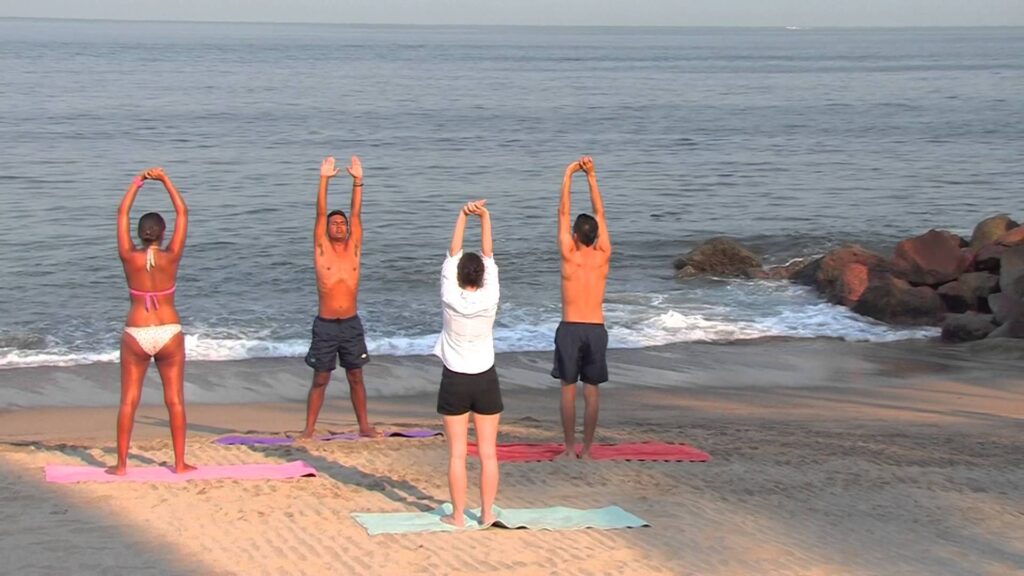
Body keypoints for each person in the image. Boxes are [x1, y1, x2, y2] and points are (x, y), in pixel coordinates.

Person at [114, 167, 195, 475]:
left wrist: (137, 181)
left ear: (139, 233)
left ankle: (121, 465)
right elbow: (183, 211)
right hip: (169, 332)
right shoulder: (172, 255)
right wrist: (165, 181)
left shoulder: (128, 256)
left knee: (128, 401)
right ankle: (179, 464)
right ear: (163, 233)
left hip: (136, 332)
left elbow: (122, 212)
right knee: (174, 400)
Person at [434, 200, 502, 528]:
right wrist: (485, 217)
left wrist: (462, 215)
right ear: (483, 277)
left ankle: (459, 516)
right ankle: (487, 514)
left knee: (457, 453)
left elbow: (452, 252)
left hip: (455, 380)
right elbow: (488, 256)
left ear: (458, 275)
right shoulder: (490, 296)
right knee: (487, 453)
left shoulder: (449, 294)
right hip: (485, 379)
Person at [301, 155, 379, 439]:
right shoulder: (322, 248)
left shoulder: (354, 247)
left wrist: (358, 181)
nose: (338, 226)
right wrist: (324, 180)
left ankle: (364, 426)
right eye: (334, 224)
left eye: (341, 224)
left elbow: (356, 214)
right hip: (325, 325)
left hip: (350, 325)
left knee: (356, 376)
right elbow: (320, 214)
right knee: (320, 378)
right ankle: (309, 429)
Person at [553, 156, 612, 460]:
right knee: (591, 392)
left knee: (568, 390)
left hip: (571, 328)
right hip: (596, 329)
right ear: (596, 236)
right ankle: (587, 450)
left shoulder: (569, 255)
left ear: (576, 235)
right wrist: (592, 177)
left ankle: (569, 448)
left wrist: (569, 174)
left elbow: (562, 211)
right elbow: (600, 212)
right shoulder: (603, 253)